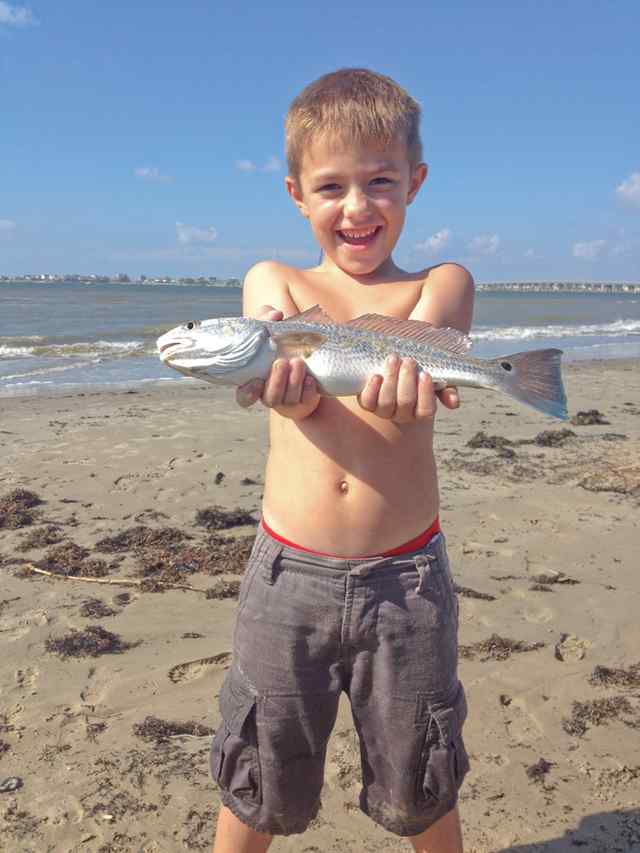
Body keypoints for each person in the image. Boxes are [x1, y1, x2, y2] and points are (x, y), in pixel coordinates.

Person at [211, 68, 474, 853]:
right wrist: (284, 392)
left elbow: (422, 347)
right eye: (331, 187)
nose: (356, 207)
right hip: (287, 577)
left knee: (420, 780)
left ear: (415, 183)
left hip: (408, 583)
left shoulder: (443, 282)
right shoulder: (275, 282)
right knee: (258, 773)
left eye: (380, 181)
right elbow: (270, 345)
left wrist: (400, 380)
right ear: (296, 192)